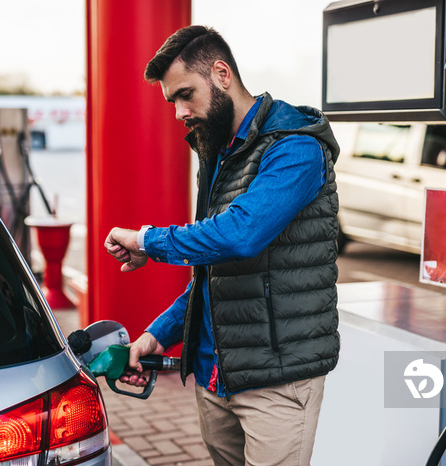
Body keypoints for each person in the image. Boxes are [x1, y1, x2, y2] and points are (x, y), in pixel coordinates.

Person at [104, 25, 340, 466]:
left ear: (221, 73)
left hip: (277, 380)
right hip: (216, 375)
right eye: (172, 100)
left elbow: (241, 235)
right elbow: (217, 272)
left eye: (185, 94)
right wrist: (160, 333)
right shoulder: (217, 153)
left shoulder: (294, 148)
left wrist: (147, 240)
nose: (179, 112)